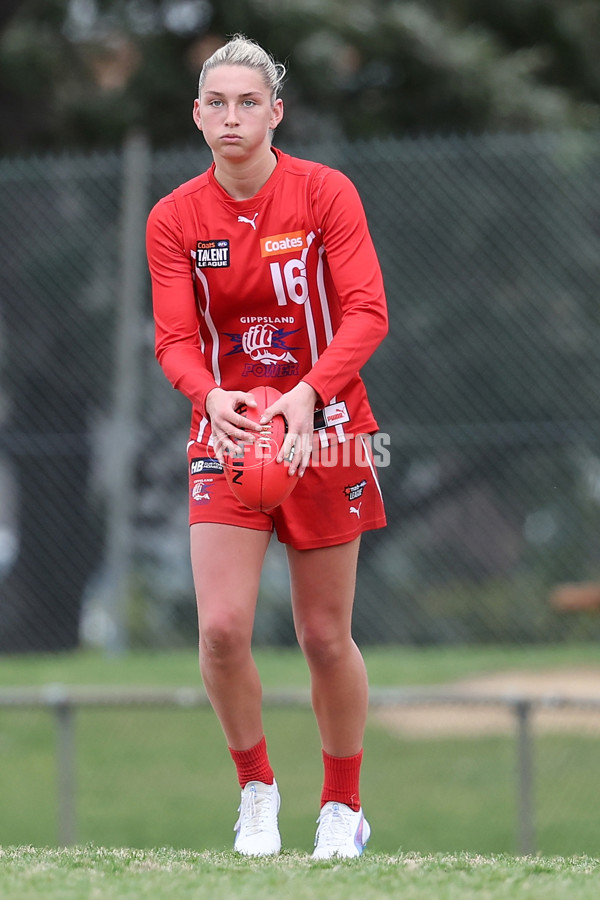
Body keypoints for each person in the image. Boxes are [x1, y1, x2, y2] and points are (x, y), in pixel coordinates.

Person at [146, 33, 388, 859]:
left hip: (325, 433)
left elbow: (366, 314)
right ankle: (256, 791)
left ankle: (342, 807)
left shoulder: (325, 195)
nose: (232, 116)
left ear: (277, 112)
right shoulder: (174, 218)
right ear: (196, 116)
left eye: (249, 101)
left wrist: (305, 400)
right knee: (220, 632)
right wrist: (211, 399)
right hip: (228, 432)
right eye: (216, 102)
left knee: (324, 635)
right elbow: (175, 341)